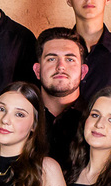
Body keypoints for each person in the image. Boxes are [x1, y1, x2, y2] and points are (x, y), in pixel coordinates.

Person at [33, 28, 88, 170]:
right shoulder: (19, 118)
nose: (61, 67)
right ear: (37, 70)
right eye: (51, 59)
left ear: (83, 71)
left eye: (70, 59)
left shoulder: (95, 120)